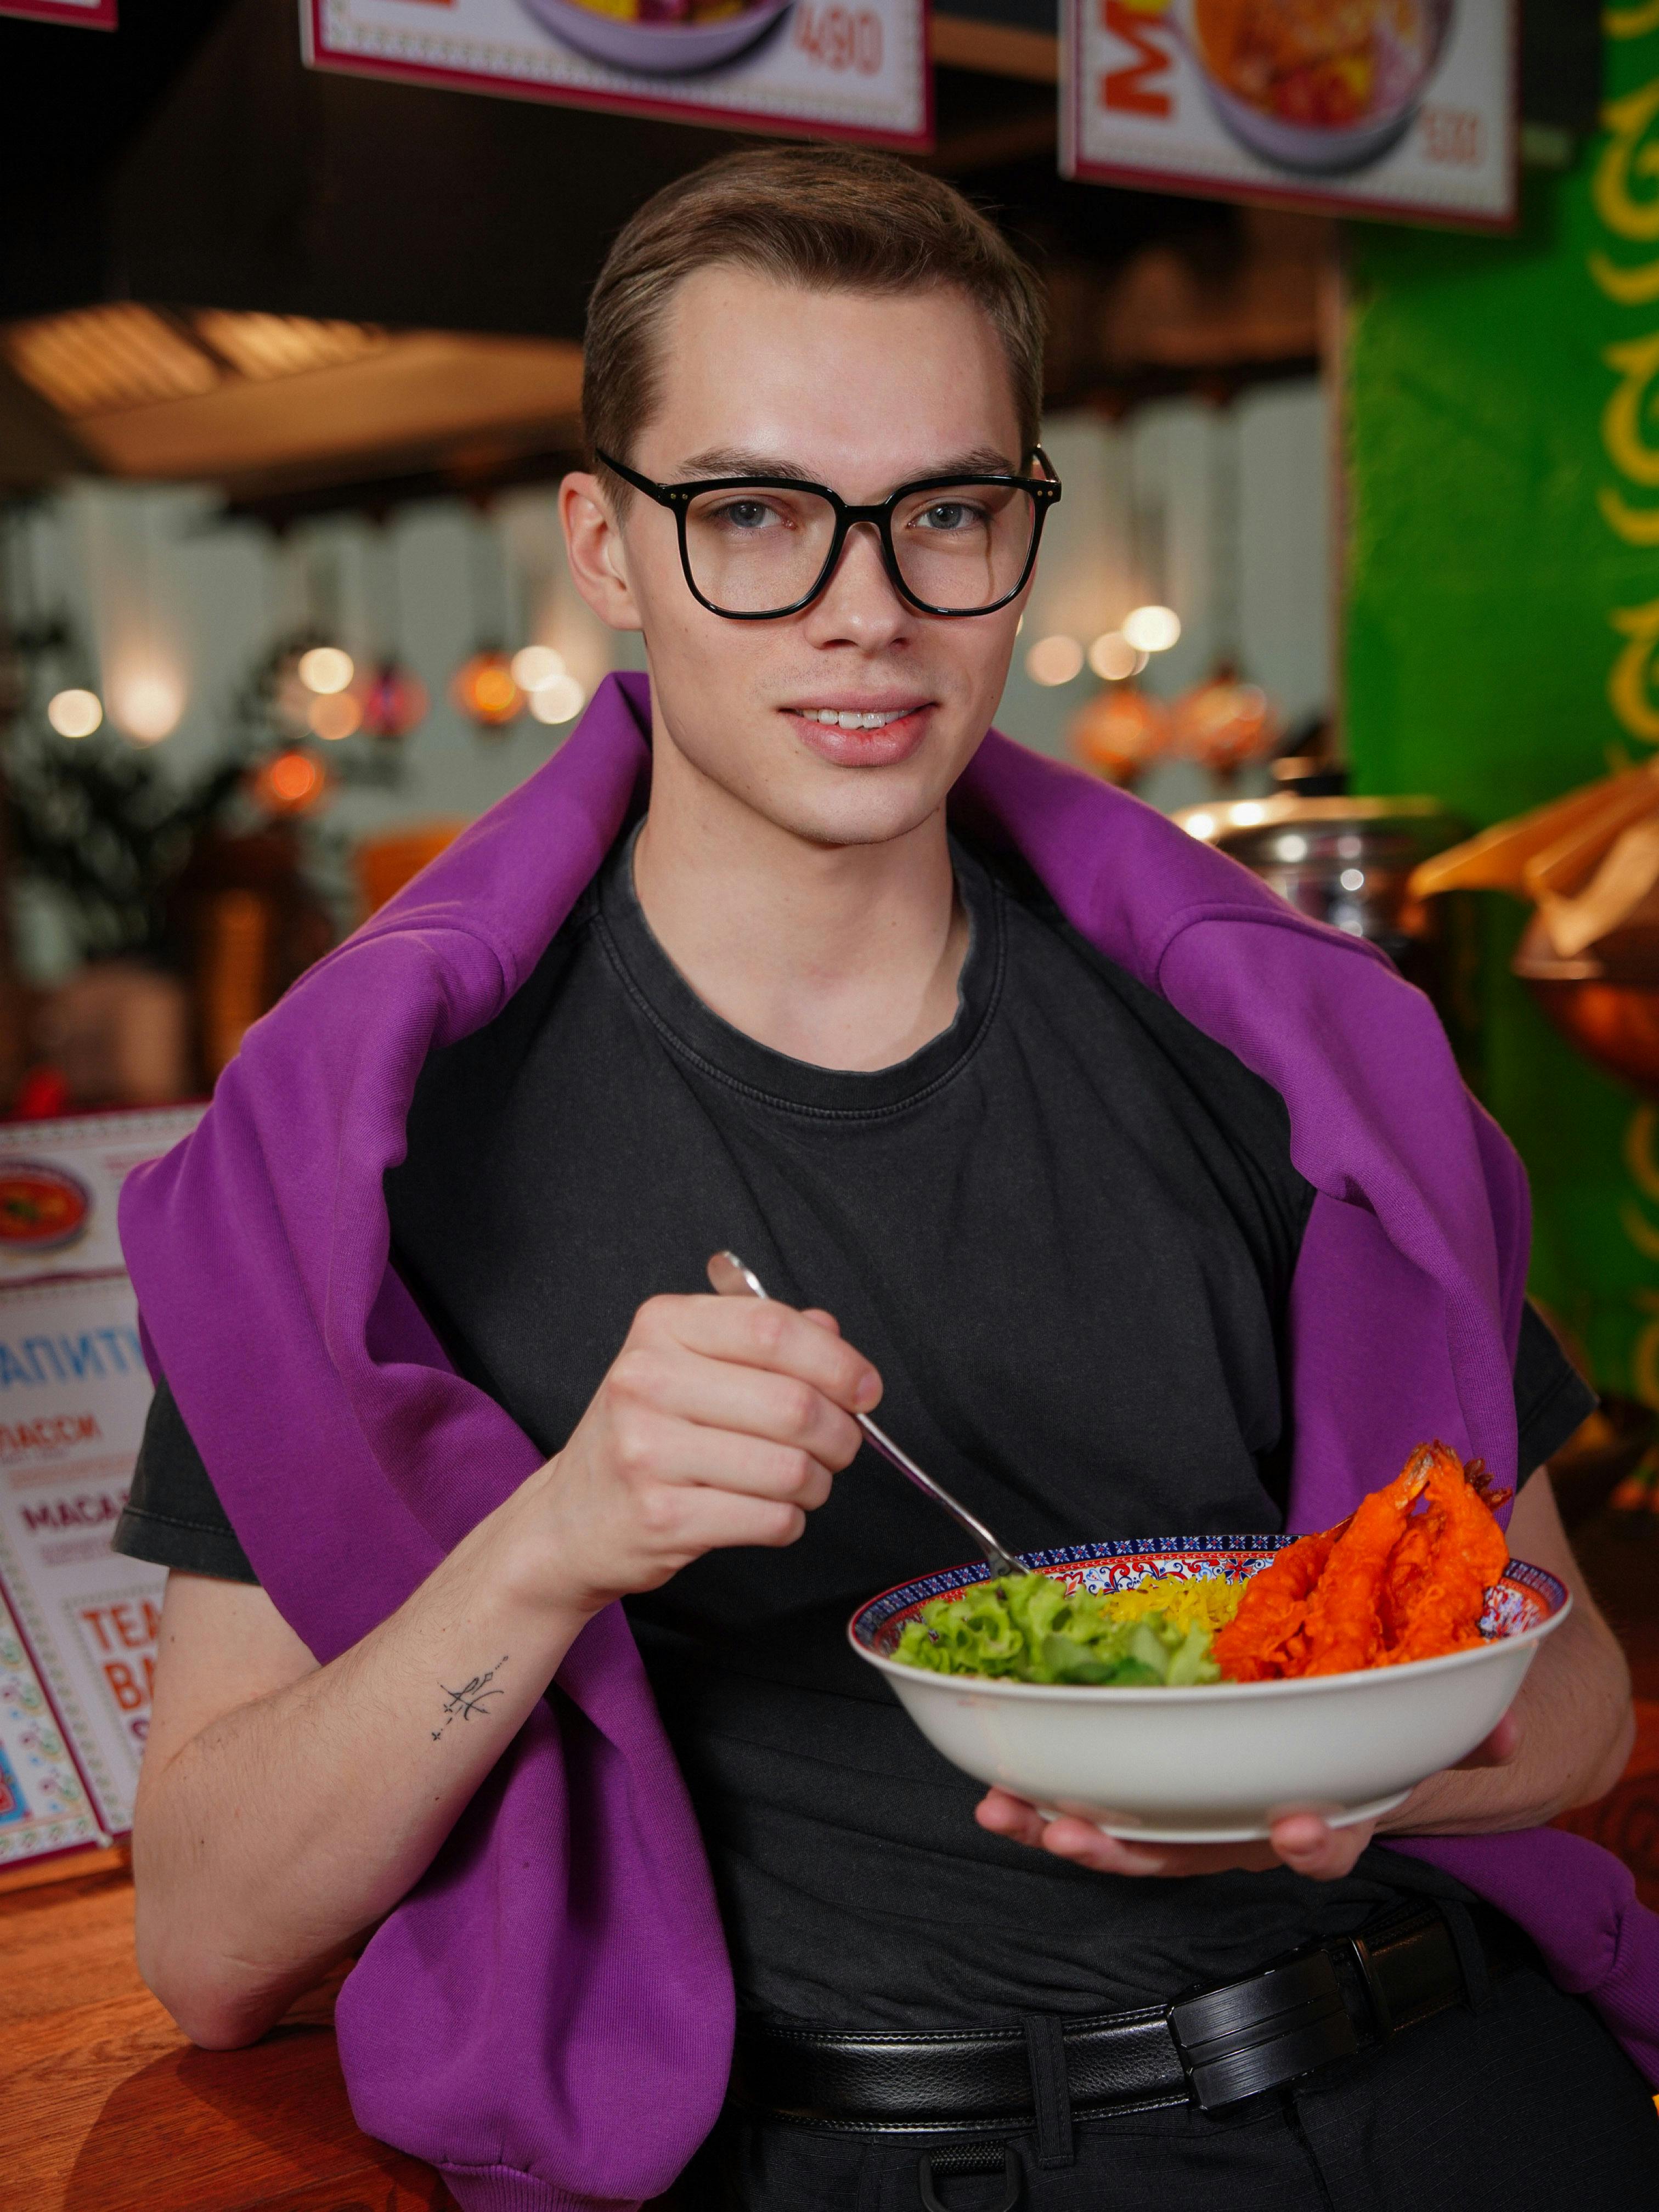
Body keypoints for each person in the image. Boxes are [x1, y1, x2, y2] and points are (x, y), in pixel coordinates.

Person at [115, 146, 1657, 2212]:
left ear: (1024, 530)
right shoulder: (361, 1143)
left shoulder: (1284, 1051)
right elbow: (213, 1945)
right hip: (893, 2156)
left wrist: (1333, 1787)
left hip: (1444, 2087)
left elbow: (1570, 1708)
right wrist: (559, 1536)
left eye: (949, 514)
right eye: (754, 513)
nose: (871, 607)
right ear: (606, 542)